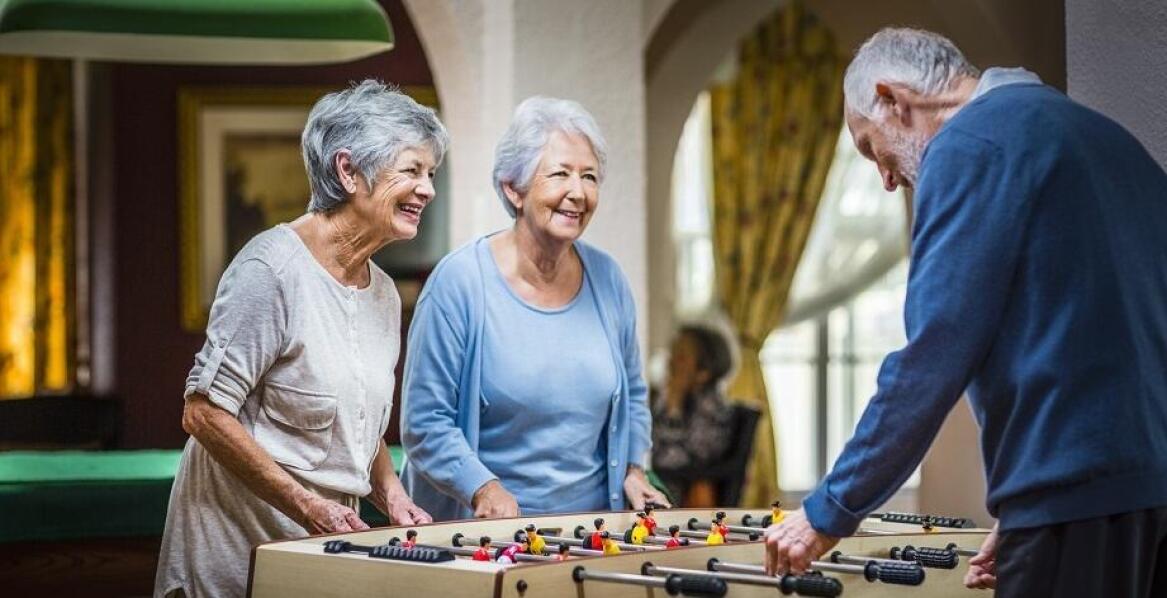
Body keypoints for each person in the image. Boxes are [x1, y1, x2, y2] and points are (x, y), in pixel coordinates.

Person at [762, 27, 1167, 598]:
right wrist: (1030, 502)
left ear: (892, 100)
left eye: (868, 146)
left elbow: (932, 356)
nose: (885, 178)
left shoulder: (968, 145)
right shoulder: (1100, 138)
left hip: (1072, 500)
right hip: (1144, 496)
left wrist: (829, 508)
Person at [155, 80, 447, 598]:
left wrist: (391, 492)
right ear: (348, 171)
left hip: (319, 557)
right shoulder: (272, 270)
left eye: (430, 173)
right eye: (411, 170)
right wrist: (307, 505)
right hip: (236, 559)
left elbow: (355, 419)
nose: (427, 188)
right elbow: (203, 412)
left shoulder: (380, 291)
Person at [400, 96, 669, 520]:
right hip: (488, 539)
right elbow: (425, 422)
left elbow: (633, 394)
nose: (577, 193)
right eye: (560, 174)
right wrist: (483, 489)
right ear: (514, 187)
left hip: (593, 533)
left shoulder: (608, 279)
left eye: (590, 177)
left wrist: (635, 469)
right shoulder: (459, 284)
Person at [651, 325, 736, 506]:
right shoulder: (669, 398)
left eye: (680, 357)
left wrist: (673, 407)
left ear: (703, 372)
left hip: (683, 496)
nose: (671, 362)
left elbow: (673, 459)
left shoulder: (712, 407)